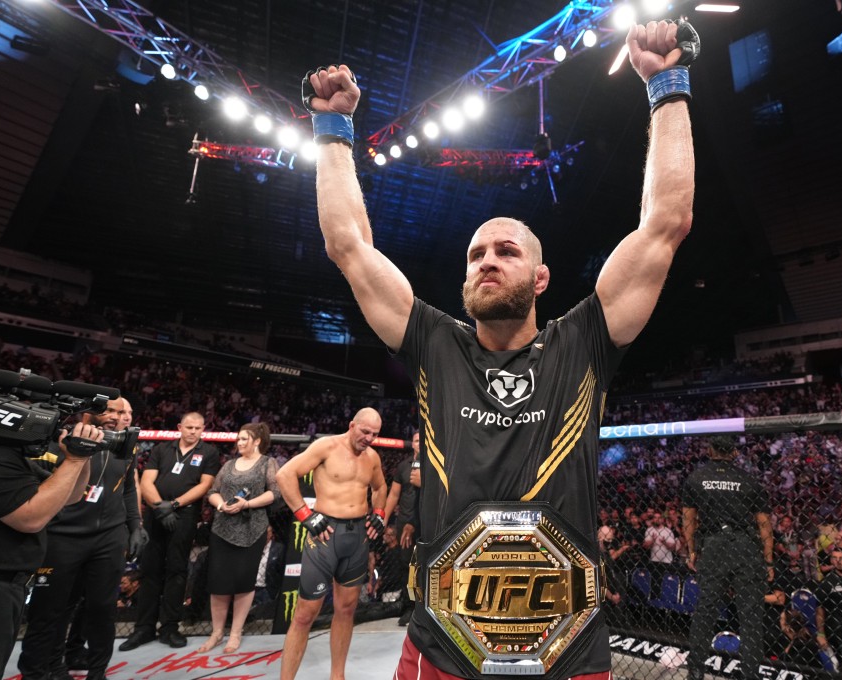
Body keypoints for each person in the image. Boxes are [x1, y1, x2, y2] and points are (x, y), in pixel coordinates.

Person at [302, 14, 697, 678]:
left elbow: (666, 224)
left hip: (566, 652)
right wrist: (332, 128)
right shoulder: (434, 342)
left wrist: (669, 83)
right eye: (475, 254)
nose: (487, 261)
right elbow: (348, 247)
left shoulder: (584, 341)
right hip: (442, 650)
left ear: (540, 277)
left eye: (506, 251)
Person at [19, 397, 146, 680]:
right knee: (49, 610)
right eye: (111, 410)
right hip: (63, 535)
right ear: (89, 412)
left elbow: (127, 487)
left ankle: (97, 672)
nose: (118, 416)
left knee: (102, 609)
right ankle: (47, 669)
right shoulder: (60, 439)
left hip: (108, 537)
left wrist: (135, 525)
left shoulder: (126, 444)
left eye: (124, 411)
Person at [275, 407, 388, 680]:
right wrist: (305, 514)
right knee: (305, 614)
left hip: (357, 536)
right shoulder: (325, 446)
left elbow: (380, 487)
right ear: (352, 425)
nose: (369, 438)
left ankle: (338, 676)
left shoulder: (371, 457)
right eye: (365, 431)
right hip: (326, 536)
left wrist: (380, 515)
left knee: (347, 609)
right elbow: (284, 475)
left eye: (374, 434)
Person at [0, 421, 101, 680]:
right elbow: (30, 518)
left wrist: (82, 457)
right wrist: (74, 461)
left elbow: (70, 496)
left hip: (10, 580)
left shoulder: (12, 455)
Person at [120, 411, 220, 651]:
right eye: (188, 427)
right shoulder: (162, 449)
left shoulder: (209, 452)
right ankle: (143, 628)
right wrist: (159, 508)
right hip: (156, 514)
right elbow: (146, 482)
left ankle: (169, 628)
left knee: (176, 570)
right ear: (179, 427)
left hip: (184, 515)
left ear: (202, 429)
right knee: (149, 569)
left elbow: (205, 485)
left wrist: (174, 505)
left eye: (197, 428)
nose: (193, 431)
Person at [681, 435, 774, 680]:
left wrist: (691, 550)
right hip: (746, 547)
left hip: (713, 546)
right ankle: (750, 674)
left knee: (705, 612)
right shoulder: (749, 479)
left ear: (710, 450)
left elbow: (688, 520)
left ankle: (696, 672)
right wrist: (768, 561)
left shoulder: (696, 478)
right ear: (734, 452)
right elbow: (765, 525)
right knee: (751, 617)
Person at [196, 422, 282, 654]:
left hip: (252, 529)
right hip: (222, 529)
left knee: (244, 583)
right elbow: (213, 491)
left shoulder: (267, 463)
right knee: (218, 583)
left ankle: (235, 633)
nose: (240, 442)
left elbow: (275, 492)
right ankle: (216, 632)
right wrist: (222, 505)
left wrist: (247, 504)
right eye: (239, 439)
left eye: (245, 439)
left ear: (256, 441)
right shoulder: (230, 464)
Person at [382, 429, 420, 625]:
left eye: (423, 440)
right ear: (412, 444)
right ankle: (409, 607)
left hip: (426, 522)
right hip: (404, 521)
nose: (419, 444)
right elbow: (394, 495)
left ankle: (425, 610)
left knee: (426, 566)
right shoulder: (403, 466)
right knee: (406, 566)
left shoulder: (437, 465)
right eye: (416, 440)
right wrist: (384, 520)